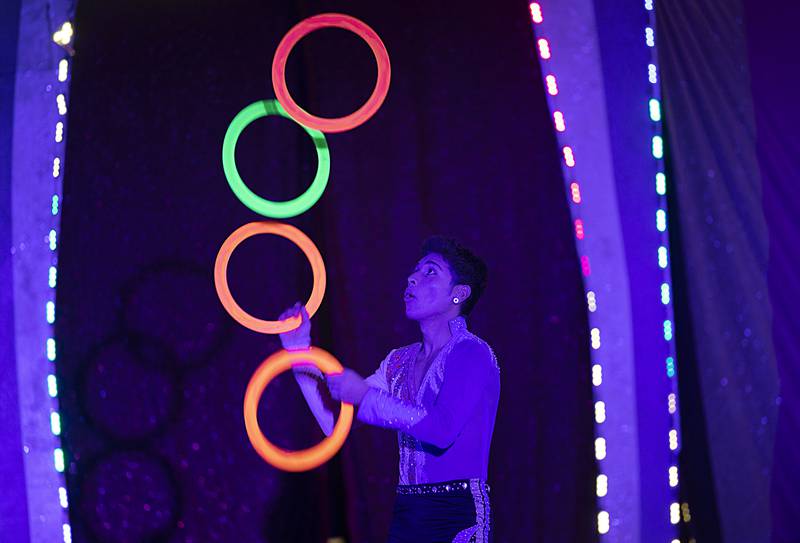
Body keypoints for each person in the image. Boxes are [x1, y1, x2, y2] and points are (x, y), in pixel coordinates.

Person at [279, 236, 500, 542]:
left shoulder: (471, 353)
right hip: (408, 511)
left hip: (456, 511)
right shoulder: (398, 361)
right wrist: (298, 351)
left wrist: (366, 396)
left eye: (430, 272)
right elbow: (335, 424)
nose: (412, 278)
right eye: (415, 270)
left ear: (458, 294)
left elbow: (442, 430)